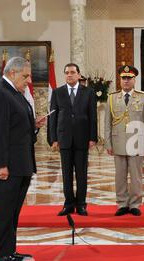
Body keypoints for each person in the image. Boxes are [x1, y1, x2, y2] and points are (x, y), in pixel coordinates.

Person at [0, 57, 47, 261]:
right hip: (8, 166)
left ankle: (9, 250)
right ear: (12, 72)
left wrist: (34, 125)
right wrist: (2, 164)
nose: (28, 80)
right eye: (25, 75)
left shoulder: (15, 93)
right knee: (3, 210)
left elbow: (18, 128)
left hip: (21, 163)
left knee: (12, 211)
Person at [49, 63, 97, 217]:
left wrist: (92, 137)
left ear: (78, 75)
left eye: (72, 72)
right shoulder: (57, 92)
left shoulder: (88, 92)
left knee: (82, 174)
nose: (69, 75)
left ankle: (81, 204)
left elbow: (93, 117)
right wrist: (53, 139)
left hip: (83, 139)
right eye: (66, 73)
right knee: (66, 174)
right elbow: (53, 118)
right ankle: (69, 204)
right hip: (64, 139)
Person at [105, 65, 144, 216]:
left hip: (137, 142)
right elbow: (107, 122)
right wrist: (108, 143)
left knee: (136, 175)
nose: (126, 81)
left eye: (129, 78)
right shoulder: (112, 98)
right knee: (120, 175)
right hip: (118, 141)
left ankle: (135, 204)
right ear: (120, 80)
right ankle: (122, 203)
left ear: (134, 80)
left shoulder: (143, 97)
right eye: (123, 78)